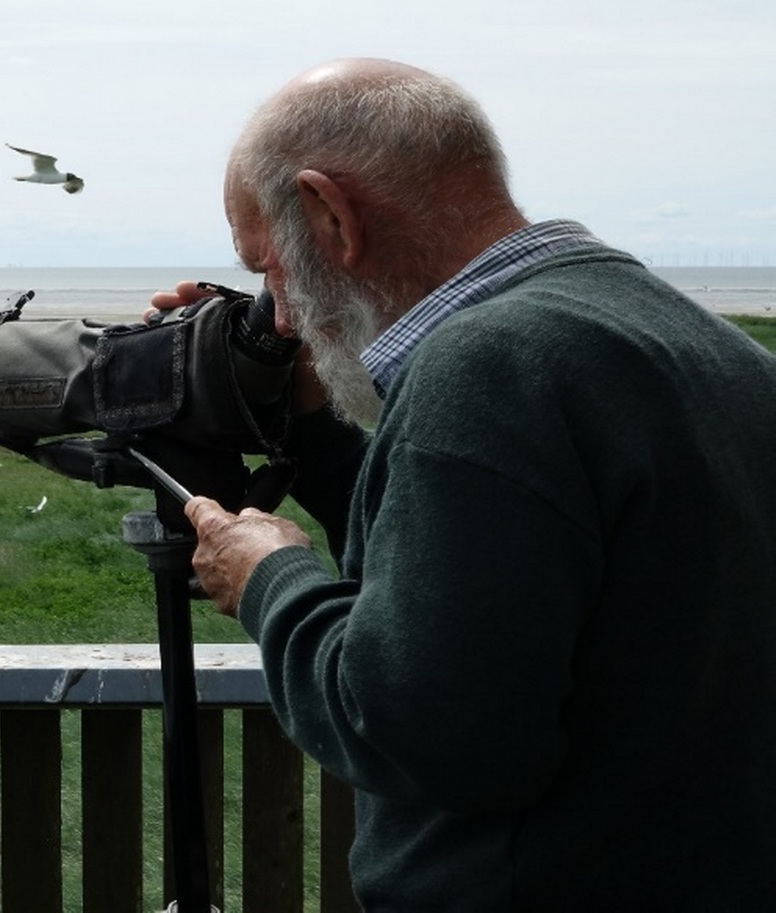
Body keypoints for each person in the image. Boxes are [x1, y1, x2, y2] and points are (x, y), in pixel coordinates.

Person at [153, 58, 776, 909]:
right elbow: (492, 570)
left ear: (329, 214)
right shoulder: (689, 340)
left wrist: (271, 581)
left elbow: (431, 738)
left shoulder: (488, 369)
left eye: (271, 269)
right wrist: (308, 425)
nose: (285, 316)